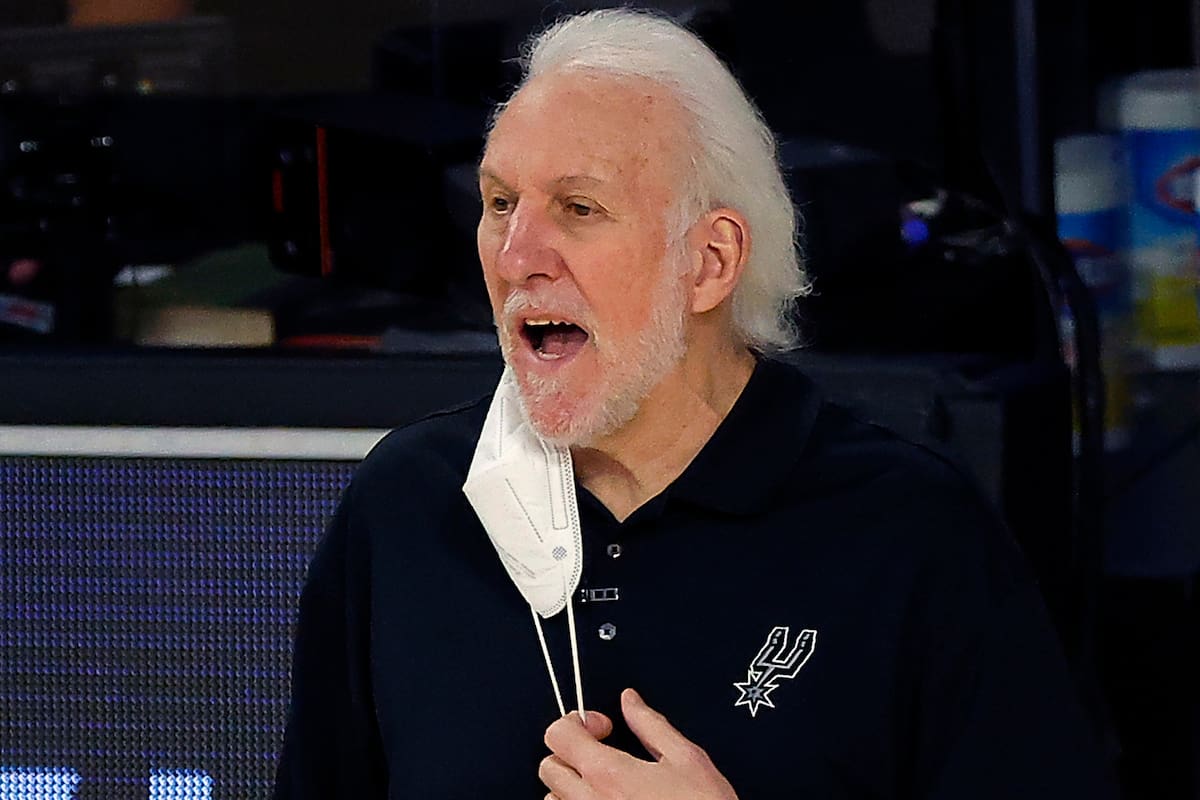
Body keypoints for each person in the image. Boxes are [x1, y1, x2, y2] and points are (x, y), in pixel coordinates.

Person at [274, 8, 1117, 798]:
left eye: (579, 207)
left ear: (710, 261)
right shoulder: (409, 505)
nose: (517, 253)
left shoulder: (913, 534)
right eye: (500, 203)